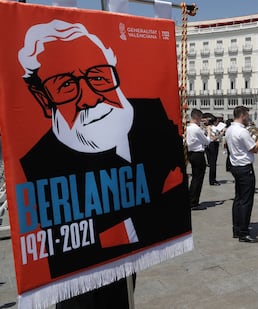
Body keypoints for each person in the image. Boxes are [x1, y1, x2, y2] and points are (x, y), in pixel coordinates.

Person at [18, 20, 189, 308]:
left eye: (99, 77)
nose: (91, 97)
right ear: (43, 98)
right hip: (79, 283)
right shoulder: (38, 165)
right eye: (66, 85)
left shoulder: (153, 116)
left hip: (127, 271)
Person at [225, 106, 258, 243]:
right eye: (247, 116)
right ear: (242, 115)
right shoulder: (242, 132)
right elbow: (255, 148)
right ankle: (244, 232)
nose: (248, 118)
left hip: (235, 166)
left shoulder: (229, 129)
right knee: (246, 201)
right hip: (244, 167)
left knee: (238, 199)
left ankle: (236, 229)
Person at [186, 108, 213, 210]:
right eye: (201, 118)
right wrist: (209, 132)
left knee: (195, 177)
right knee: (198, 178)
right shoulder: (196, 129)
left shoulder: (188, 127)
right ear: (197, 117)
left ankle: (191, 199)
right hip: (198, 154)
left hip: (191, 153)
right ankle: (193, 202)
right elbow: (206, 142)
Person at [206, 115, 221, 186]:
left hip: (213, 144)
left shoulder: (212, 127)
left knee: (213, 163)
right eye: (217, 121)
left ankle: (213, 179)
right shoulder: (211, 127)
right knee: (213, 163)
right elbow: (213, 137)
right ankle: (212, 180)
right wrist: (218, 136)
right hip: (212, 144)